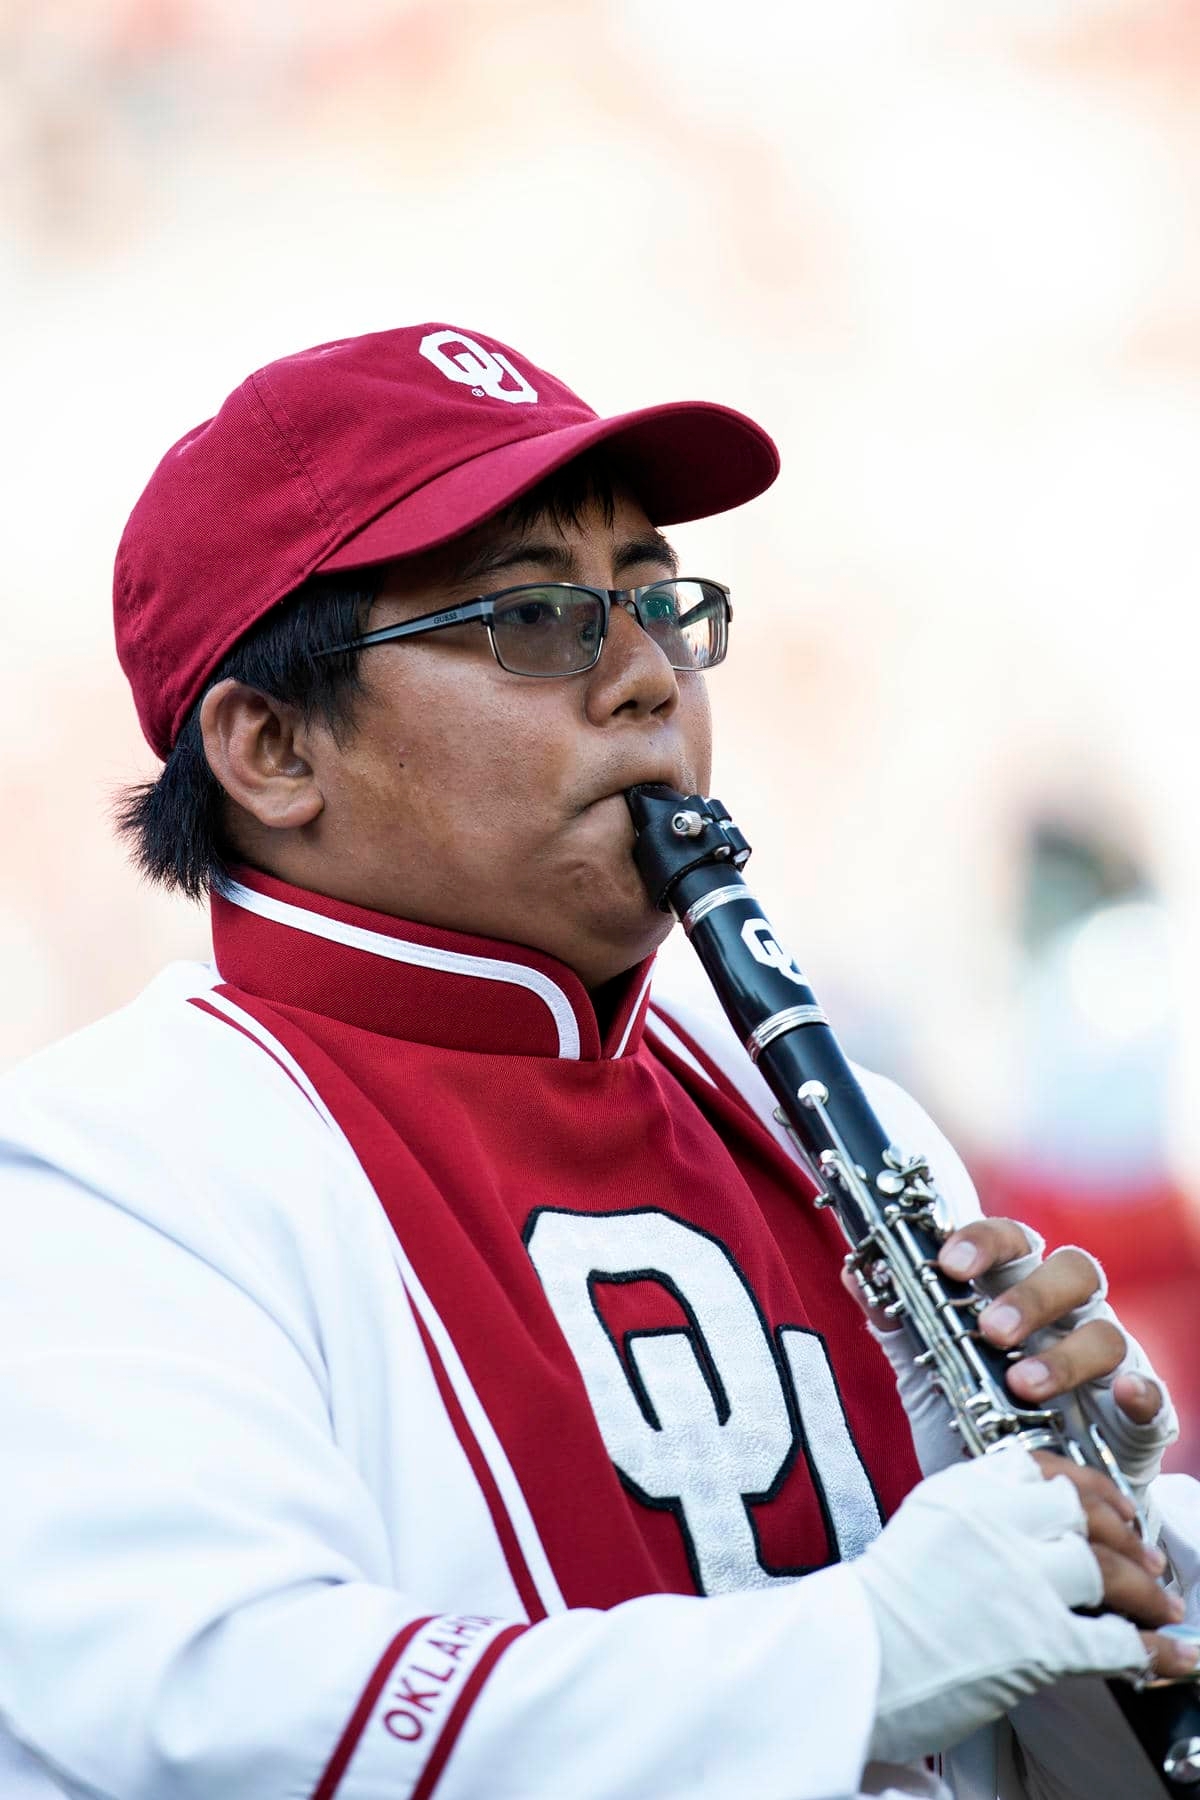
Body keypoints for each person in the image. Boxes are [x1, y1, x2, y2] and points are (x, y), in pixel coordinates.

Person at [0, 323, 1196, 1800]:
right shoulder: (103, 1167)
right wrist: (864, 1655)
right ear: (271, 750)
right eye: (535, 621)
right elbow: (215, 1714)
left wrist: (1103, 1543)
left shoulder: (835, 1120)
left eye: (657, 603)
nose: (646, 679)